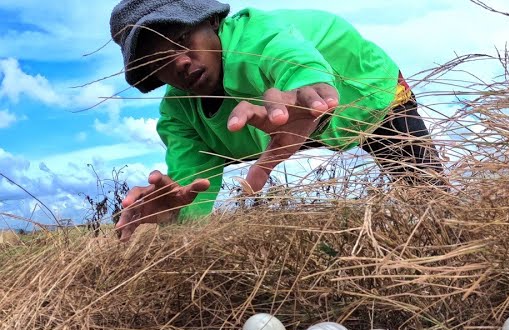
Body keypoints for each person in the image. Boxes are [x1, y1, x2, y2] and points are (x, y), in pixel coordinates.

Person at [109, 0, 445, 241]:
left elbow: (286, 55)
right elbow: (192, 189)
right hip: (286, 126)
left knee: (429, 196)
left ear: (212, 22)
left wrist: (306, 84)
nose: (180, 62)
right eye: (160, 62)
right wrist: (179, 217)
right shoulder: (179, 116)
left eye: (183, 40)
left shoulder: (254, 35)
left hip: (365, 89)